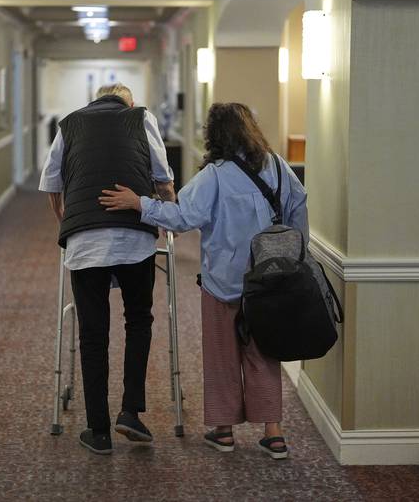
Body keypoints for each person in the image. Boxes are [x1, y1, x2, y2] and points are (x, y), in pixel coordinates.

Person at [99, 102, 308, 459]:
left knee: (222, 353)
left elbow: (183, 217)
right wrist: (294, 259)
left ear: (214, 135)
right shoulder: (277, 166)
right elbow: (298, 207)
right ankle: (273, 433)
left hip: (223, 281)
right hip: (271, 279)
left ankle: (224, 430)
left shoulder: (215, 175)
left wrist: (140, 203)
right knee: (264, 352)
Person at [39, 83, 176, 455]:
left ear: (95, 102)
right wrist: (167, 213)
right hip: (135, 236)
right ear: (127, 104)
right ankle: (130, 412)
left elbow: (52, 184)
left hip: (84, 242)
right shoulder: (140, 117)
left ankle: (97, 430)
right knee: (138, 321)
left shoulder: (69, 125)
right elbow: (163, 179)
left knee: (93, 334)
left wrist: (66, 221)